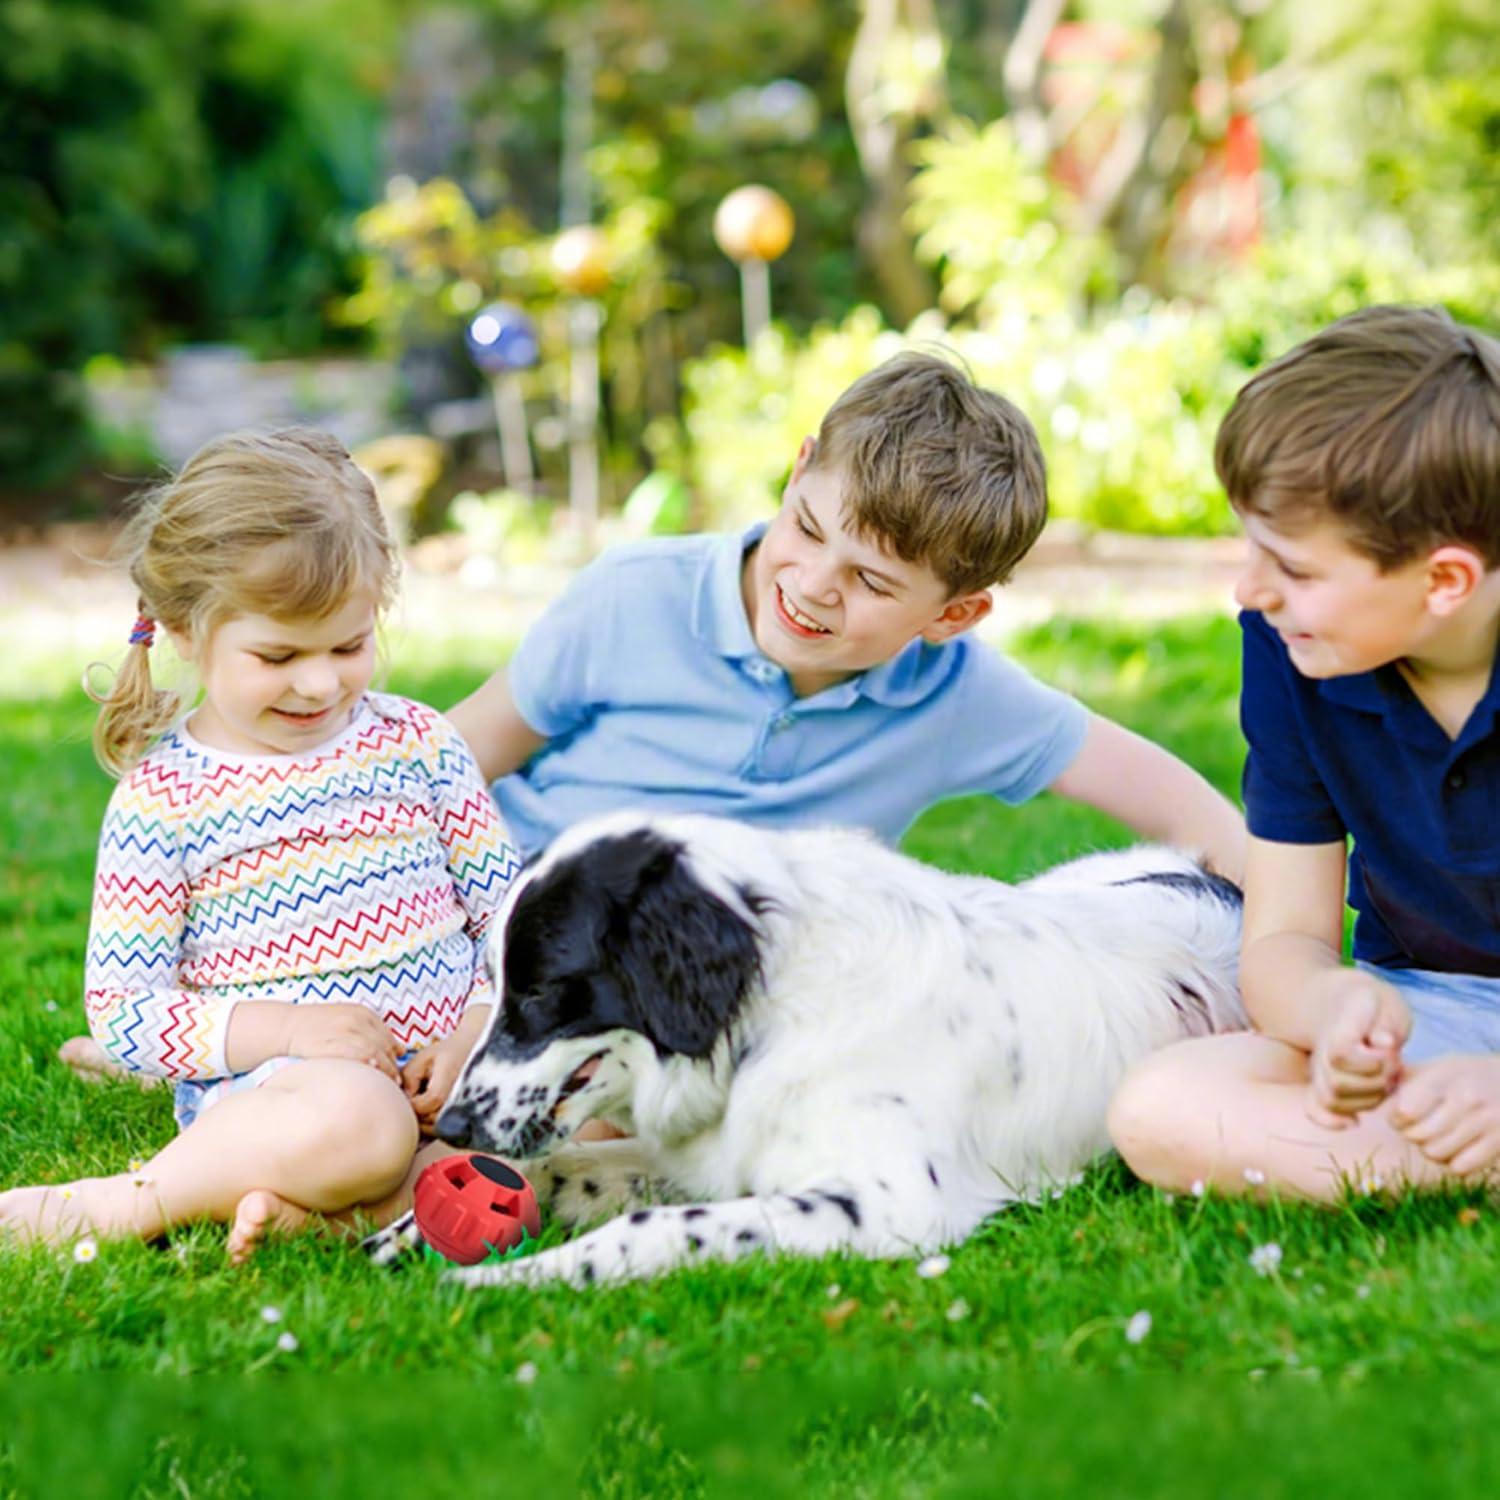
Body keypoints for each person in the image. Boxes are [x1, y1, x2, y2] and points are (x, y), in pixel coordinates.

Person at [1, 428, 521, 1262]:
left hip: (454, 1072)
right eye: (277, 655)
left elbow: (509, 914)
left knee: (586, 1119)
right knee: (364, 1123)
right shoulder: (167, 797)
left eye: (349, 646)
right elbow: (129, 1012)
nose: (320, 683)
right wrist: (286, 1031)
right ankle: (129, 1202)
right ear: (183, 632)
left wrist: (475, 1029)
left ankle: (323, 1218)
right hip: (291, 1097)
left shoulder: (420, 743)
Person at [450, 352, 1246, 875]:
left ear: (954, 615)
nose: (813, 583)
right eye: (806, 527)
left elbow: (1185, 809)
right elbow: (451, 759)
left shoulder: (959, 697)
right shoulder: (636, 595)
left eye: (870, 580)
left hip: (700, 990)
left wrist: (1293, 934)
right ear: (799, 469)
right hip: (519, 915)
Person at [1109, 305, 1500, 1200]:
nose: (1252, 590)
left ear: (1445, 579)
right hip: (1432, 1009)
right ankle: (1457, 1157)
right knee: (1160, 1105)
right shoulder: (1292, 651)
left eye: (1295, 568)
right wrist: (1333, 1008)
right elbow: (1286, 937)